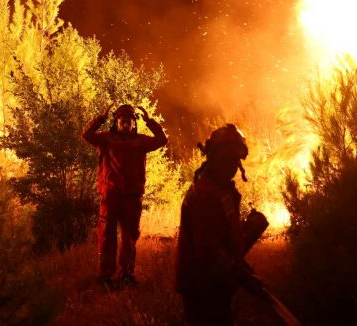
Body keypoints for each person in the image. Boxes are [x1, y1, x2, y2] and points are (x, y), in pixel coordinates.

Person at [175, 124, 263, 325]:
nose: (230, 165)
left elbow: (224, 235)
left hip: (215, 283)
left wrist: (248, 231)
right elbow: (208, 250)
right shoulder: (205, 194)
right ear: (212, 157)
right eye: (224, 159)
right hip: (201, 286)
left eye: (234, 160)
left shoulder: (222, 190)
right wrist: (243, 277)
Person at [82, 103, 167, 288]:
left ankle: (126, 274)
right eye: (122, 121)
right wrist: (101, 118)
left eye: (130, 122)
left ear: (134, 124)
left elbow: (162, 140)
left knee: (129, 237)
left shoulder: (141, 141)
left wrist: (150, 121)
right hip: (110, 196)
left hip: (132, 197)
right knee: (106, 237)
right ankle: (105, 275)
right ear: (116, 122)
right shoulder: (106, 139)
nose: (126, 125)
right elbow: (86, 135)